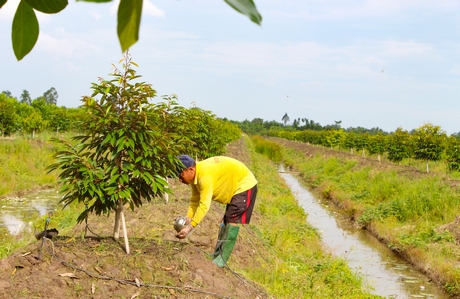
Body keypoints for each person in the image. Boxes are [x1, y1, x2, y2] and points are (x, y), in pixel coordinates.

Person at [175, 154, 258, 267]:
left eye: (181, 175)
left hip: (245, 184)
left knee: (231, 218)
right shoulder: (196, 176)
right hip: (235, 185)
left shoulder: (204, 175)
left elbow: (204, 205)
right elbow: (195, 200)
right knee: (225, 220)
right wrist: (188, 219)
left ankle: (222, 259)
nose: (180, 180)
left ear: (191, 169)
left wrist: (190, 227)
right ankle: (217, 254)